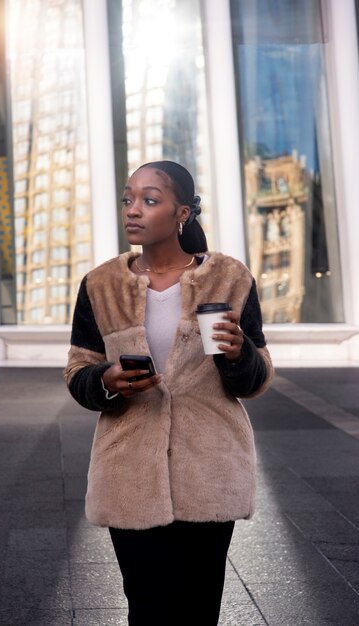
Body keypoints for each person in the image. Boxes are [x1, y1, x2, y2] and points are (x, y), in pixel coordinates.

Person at [64, 160, 274, 626]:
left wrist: (240, 355)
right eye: (128, 199)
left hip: (211, 467)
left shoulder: (229, 279)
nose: (133, 210)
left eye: (149, 200)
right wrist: (106, 381)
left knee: (198, 611)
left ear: (182, 213)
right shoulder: (101, 285)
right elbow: (78, 370)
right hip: (129, 473)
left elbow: (256, 380)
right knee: (147, 608)